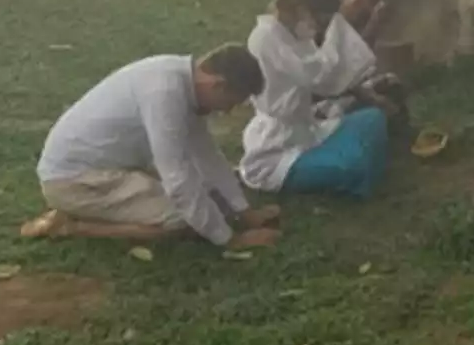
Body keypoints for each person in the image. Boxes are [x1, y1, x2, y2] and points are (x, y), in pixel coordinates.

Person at [21, 43, 281, 250]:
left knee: (204, 202)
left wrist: (245, 213)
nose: (227, 111)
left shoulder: (180, 80)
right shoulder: (165, 94)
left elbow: (206, 154)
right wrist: (230, 241)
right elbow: (177, 177)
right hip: (76, 180)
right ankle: (72, 225)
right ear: (218, 85)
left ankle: (89, 211)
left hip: (106, 169)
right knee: (184, 219)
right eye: (231, 102)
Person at [240, 0, 397, 199]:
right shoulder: (266, 38)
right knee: (352, 164)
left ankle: (352, 169)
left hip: (308, 129)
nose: (317, 29)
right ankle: (351, 172)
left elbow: (330, 73)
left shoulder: (294, 36)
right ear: (302, 10)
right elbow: (321, 76)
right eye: (320, 22)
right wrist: (341, 24)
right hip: (278, 146)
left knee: (372, 118)